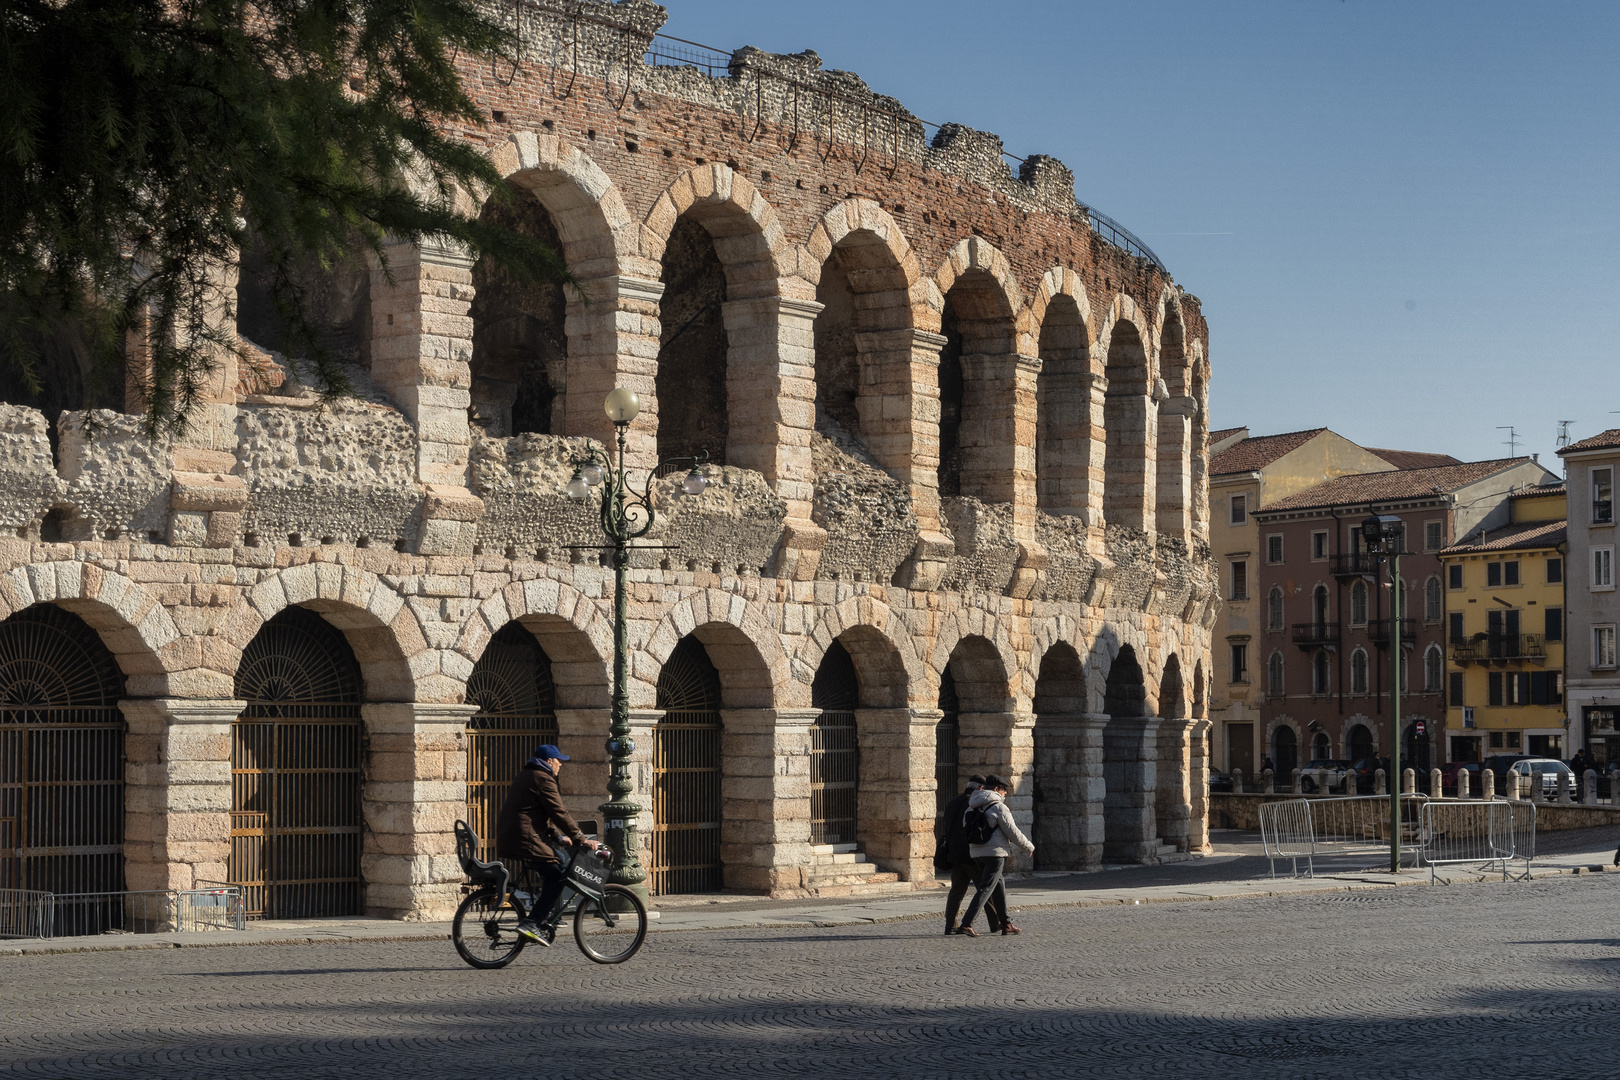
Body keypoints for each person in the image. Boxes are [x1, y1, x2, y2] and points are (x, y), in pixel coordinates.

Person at [495, 743, 601, 945]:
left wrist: (558, 837)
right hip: (525, 838)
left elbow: (539, 814)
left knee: (558, 859)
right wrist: (581, 839)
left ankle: (545, 912)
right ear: (549, 761)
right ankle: (532, 922)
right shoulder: (543, 778)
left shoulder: (529, 775)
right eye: (559, 760)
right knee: (559, 874)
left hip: (520, 835)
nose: (561, 765)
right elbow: (559, 812)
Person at [953, 774, 1034, 938]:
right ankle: (966, 923)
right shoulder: (999, 807)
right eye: (1004, 791)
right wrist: (1028, 847)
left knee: (998, 886)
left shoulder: (972, 806)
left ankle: (1006, 923)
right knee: (985, 888)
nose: (1005, 794)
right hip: (995, 853)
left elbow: (965, 828)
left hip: (977, 853)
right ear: (996, 789)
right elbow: (1012, 831)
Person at [937, 775, 1006, 935]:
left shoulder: (952, 802)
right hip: (971, 854)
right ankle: (994, 922)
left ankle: (950, 924)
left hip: (954, 854)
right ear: (980, 788)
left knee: (957, 891)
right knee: (985, 889)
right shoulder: (974, 804)